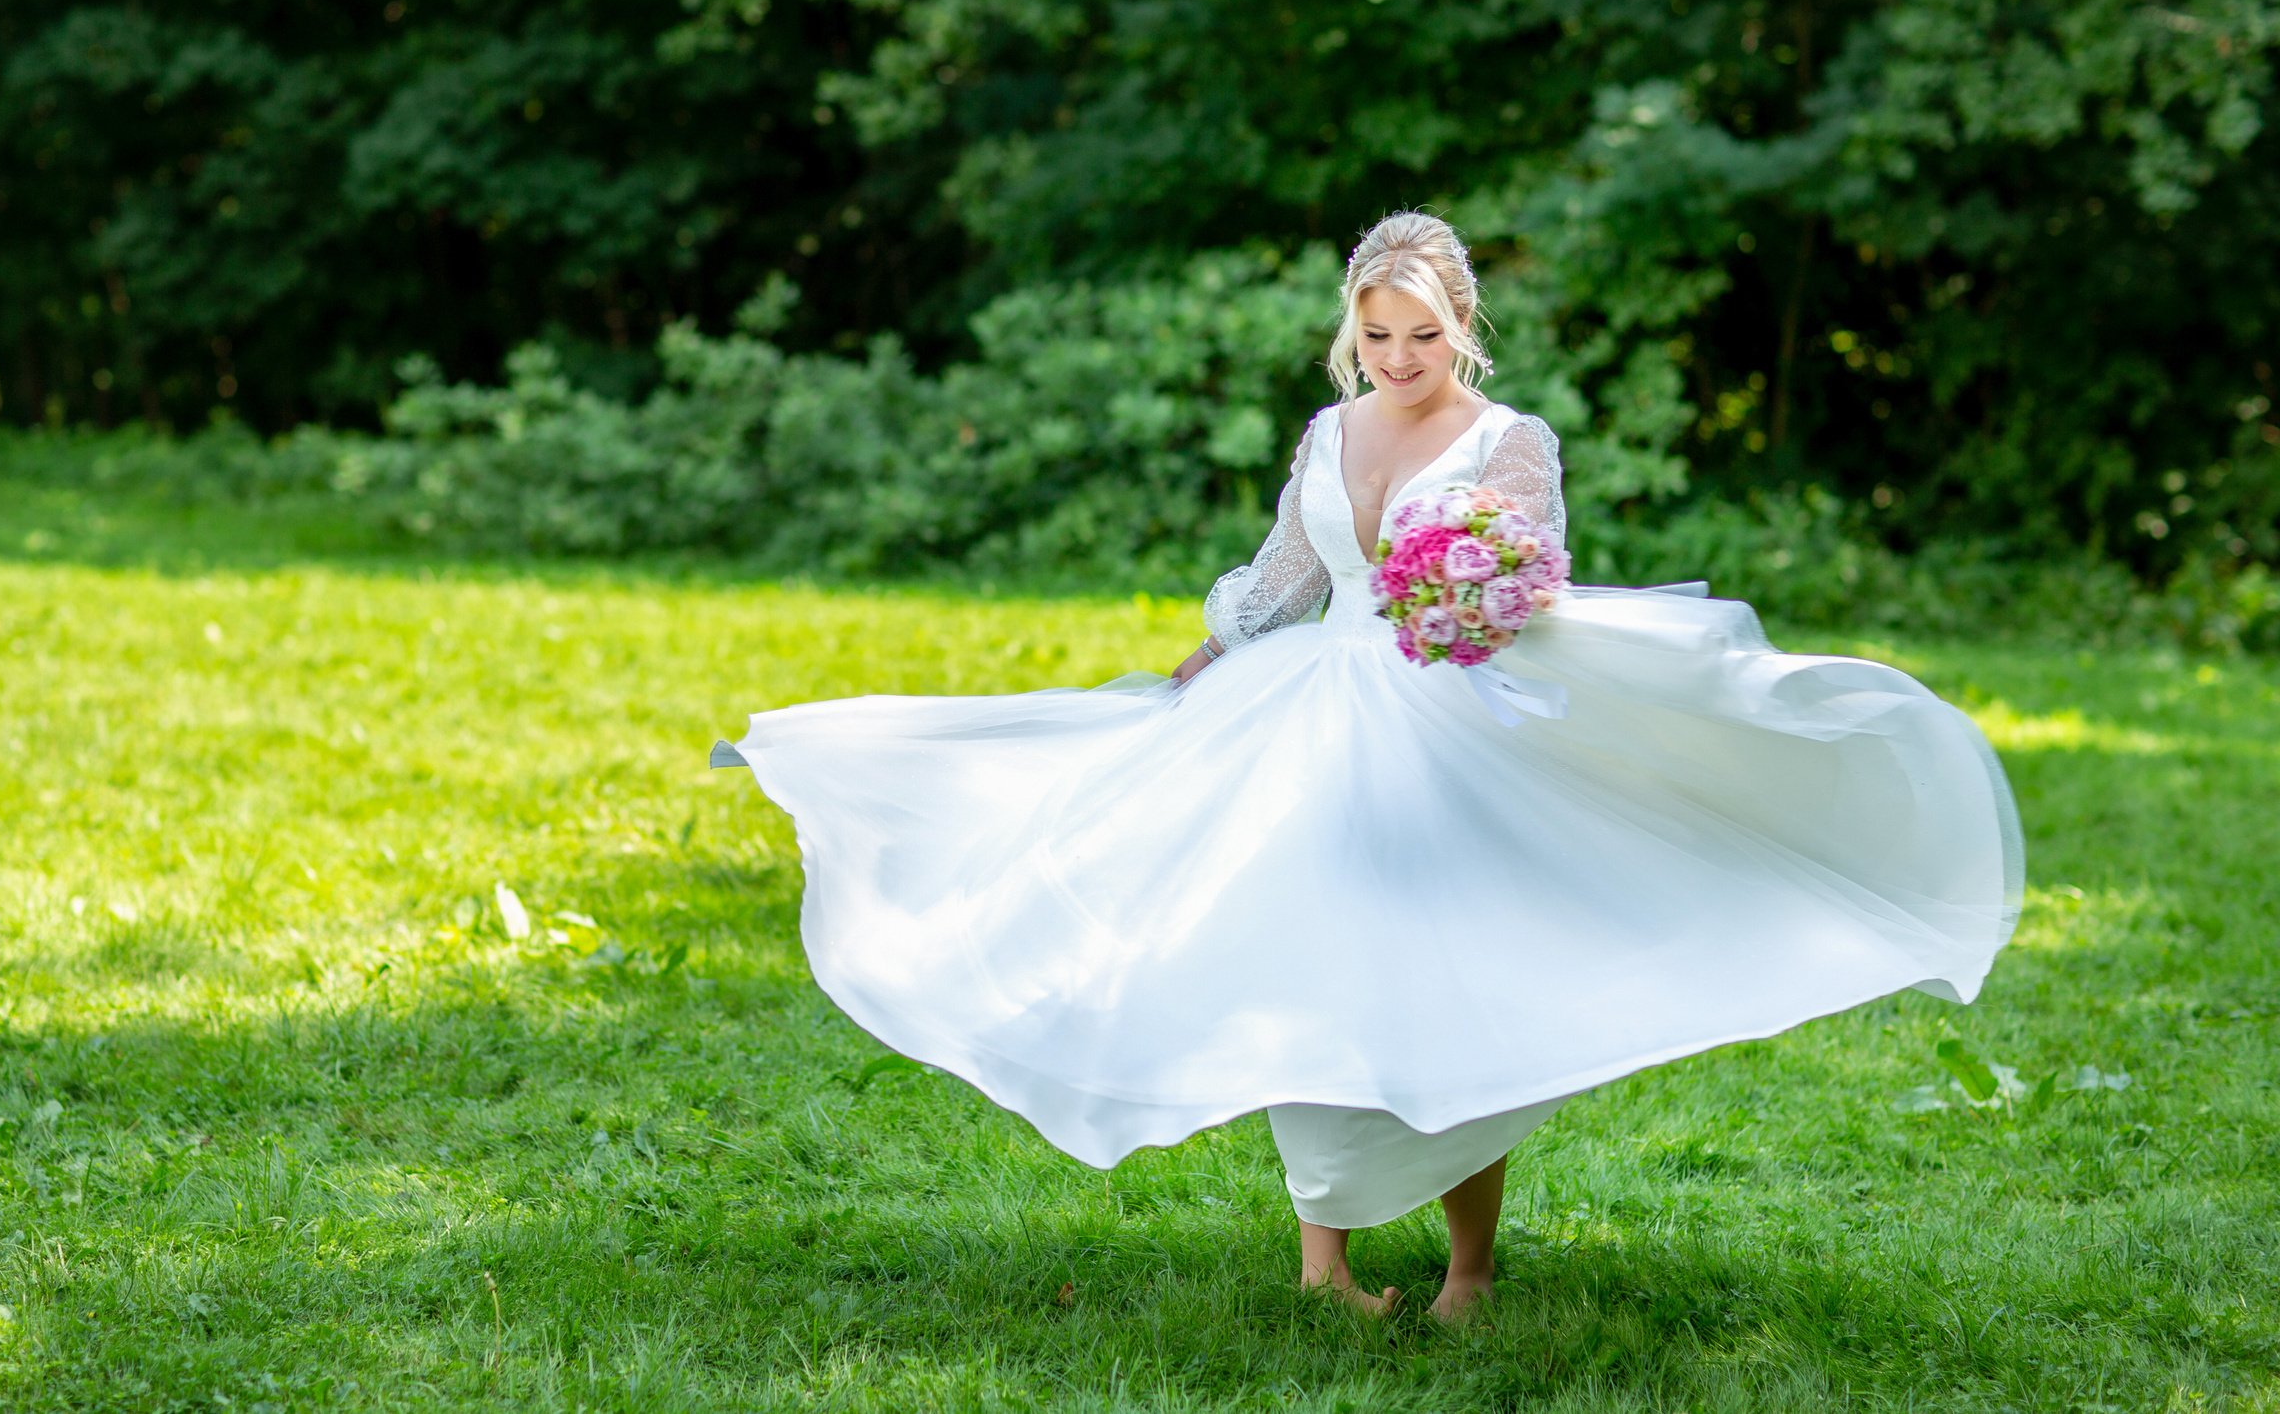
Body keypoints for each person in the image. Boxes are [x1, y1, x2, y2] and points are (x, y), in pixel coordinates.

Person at [721, 211, 2020, 1320]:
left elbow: (1529, 577)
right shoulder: (1330, 433)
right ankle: (1323, 1264)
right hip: (1308, 718)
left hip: (1448, 724)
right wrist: (1203, 663)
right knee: (1312, 962)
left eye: (1421, 333)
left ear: (1461, 325)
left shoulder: (1511, 441)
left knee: (1452, 984)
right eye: (1376, 334)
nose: (1398, 359)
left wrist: (1476, 599)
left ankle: (1469, 1269)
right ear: (1356, 331)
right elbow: (1287, 575)